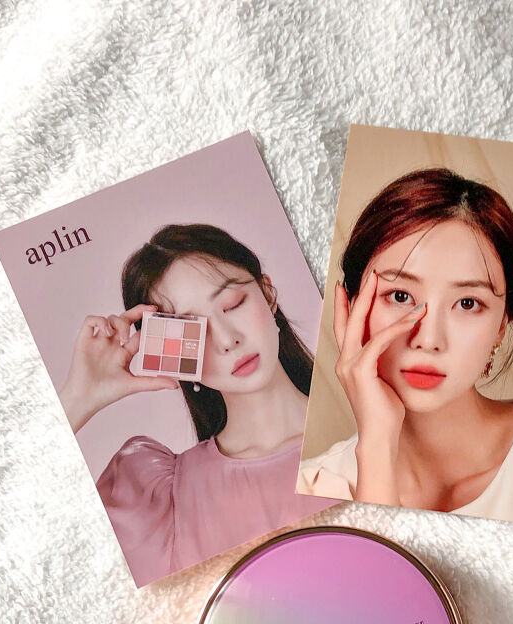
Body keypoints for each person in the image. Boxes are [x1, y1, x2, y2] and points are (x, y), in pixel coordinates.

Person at [296, 169, 513, 529]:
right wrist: (377, 448)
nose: (429, 339)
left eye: (467, 303)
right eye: (400, 296)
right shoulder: (317, 486)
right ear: (352, 307)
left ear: (501, 326)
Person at [59, 224, 333, 585]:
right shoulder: (158, 500)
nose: (227, 340)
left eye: (232, 305)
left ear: (268, 293)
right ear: (169, 354)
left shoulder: (376, 426)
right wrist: (77, 400)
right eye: (193, 331)